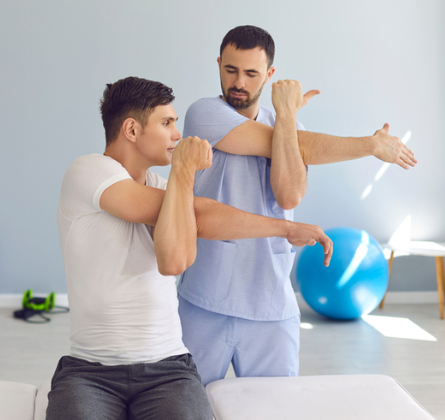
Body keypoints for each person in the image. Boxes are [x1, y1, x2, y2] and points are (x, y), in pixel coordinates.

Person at [48, 76, 333, 420]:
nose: (177, 134)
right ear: (131, 130)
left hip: (167, 369)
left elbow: (190, 236)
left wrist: (286, 228)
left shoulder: (163, 187)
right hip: (89, 373)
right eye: (167, 123)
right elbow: (193, 220)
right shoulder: (89, 171)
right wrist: (184, 171)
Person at [178, 25, 418, 385]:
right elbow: (299, 146)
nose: (238, 82)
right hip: (205, 297)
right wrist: (369, 145)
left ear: (270, 75)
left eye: (251, 73)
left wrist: (287, 116)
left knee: (277, 406)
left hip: (271, 300)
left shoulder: (289, 126)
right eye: (230, 70)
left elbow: (289, 196)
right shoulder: (203, 115)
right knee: (188, 405)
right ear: (218, 64)